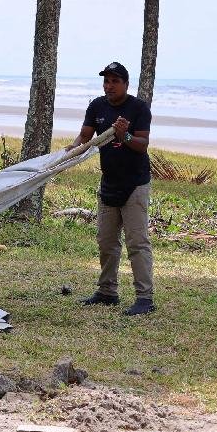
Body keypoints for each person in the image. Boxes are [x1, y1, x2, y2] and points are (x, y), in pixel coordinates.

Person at [72, 62, 155, 316]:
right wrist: (69, 153)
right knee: (106, 242)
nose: (109, 86)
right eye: (106, 81)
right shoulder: (97, 106)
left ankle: (144, 298)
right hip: (109, 183)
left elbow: (141, 145)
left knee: (137, 243)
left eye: (114, 81)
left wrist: (124, 136)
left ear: (126, 84)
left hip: (135, 185)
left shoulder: (138, 108)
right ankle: (107, 292)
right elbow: (84, 137)